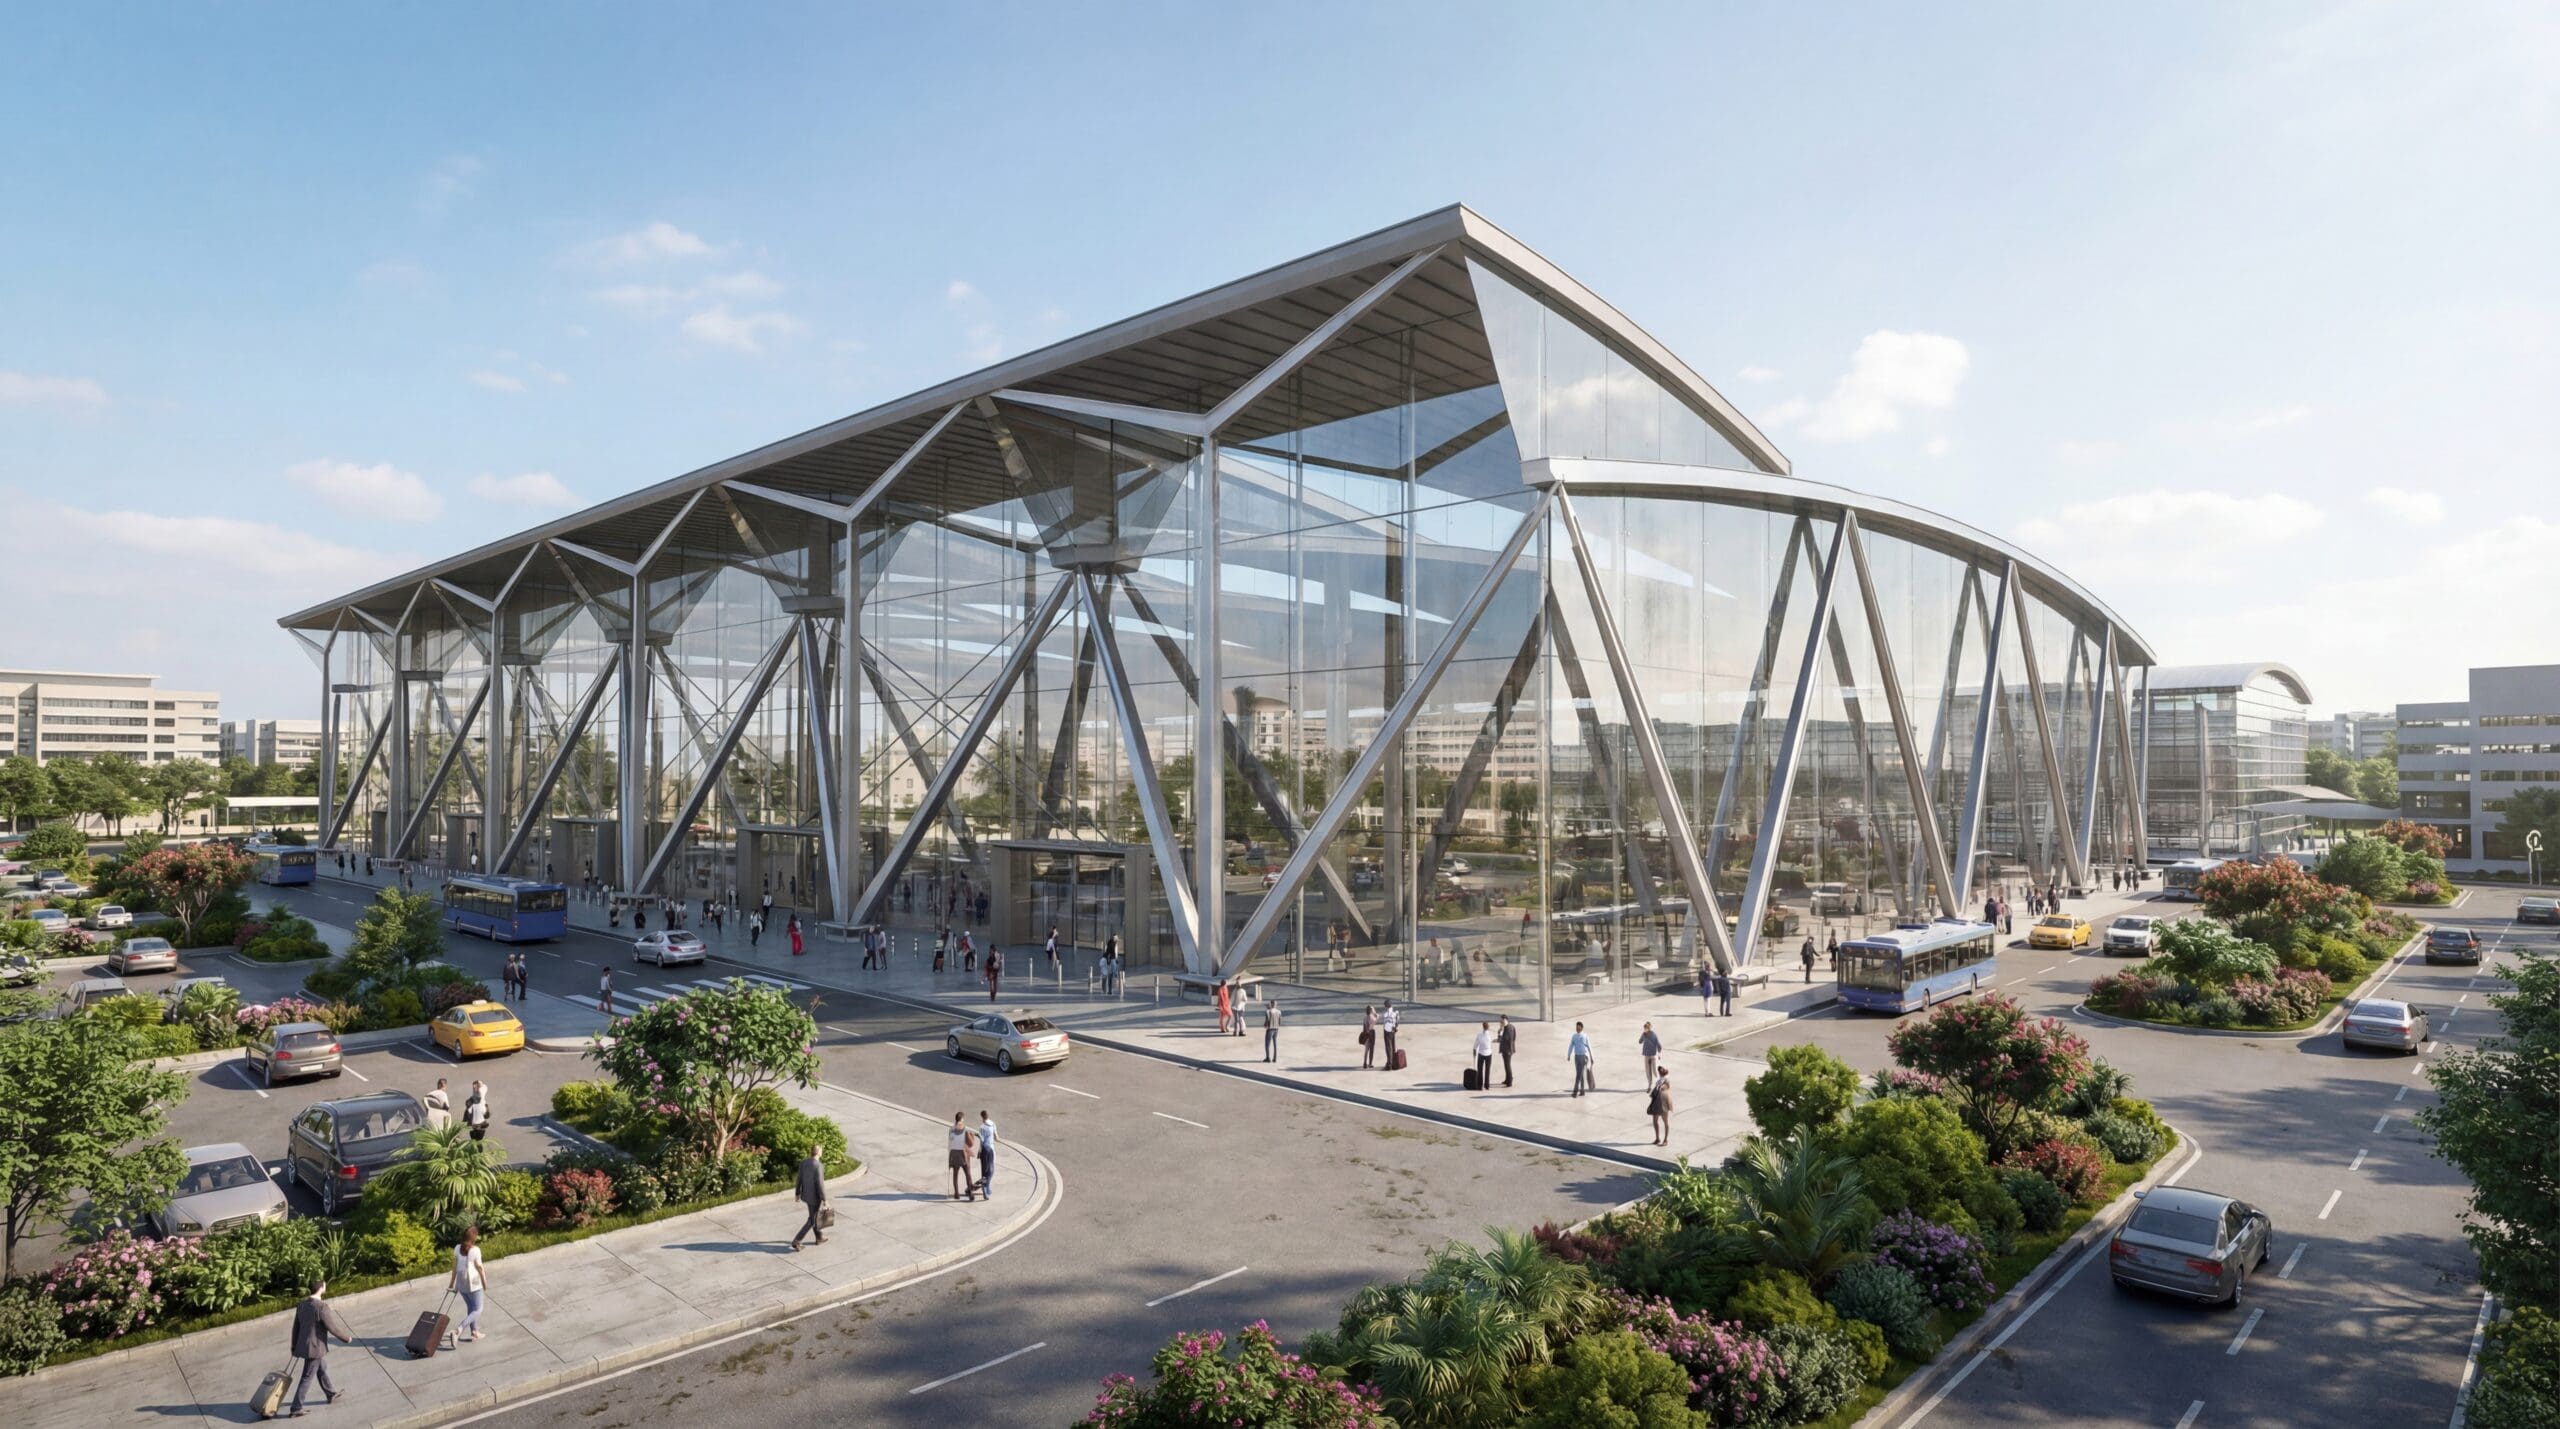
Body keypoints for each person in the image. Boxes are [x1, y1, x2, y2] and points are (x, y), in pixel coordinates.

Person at [286, 1278, 354, 1416]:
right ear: (321, 1288)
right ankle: (296, 1408)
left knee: (321, 1368)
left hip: (305, 1346)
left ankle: (330, 1393)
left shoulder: (302, 1305)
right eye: (324, 1285)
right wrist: (346, 1339)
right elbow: (332, 1328)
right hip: (315, 1348)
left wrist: (294, 1346)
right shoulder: (321, 1307)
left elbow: (296, 1328)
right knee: (307, 1377)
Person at [451, 1225, 488, 1342]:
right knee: (478, 1309)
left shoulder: (457, 1248)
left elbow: (455, 1267)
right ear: (474, 1237)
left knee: (471, 1307)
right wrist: (484, 1282)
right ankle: (459, 1329)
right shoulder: (475, 1250)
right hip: (474, 1284)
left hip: (461, 1284)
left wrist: (452, 1284)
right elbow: (480, 1267)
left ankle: (474, 1331)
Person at [789, 1146, 828, 1250]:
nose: (822, 1152)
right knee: (812, 1220)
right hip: (815, 1198)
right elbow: (820, 1185)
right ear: (818, 1153)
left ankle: (819, 1237)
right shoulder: (818, 1165)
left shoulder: (804, 1163)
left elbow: (799, 1179)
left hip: (806, 1195)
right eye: (821, 1151)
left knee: (813, 1216)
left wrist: (797, 1193)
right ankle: (796, 1241)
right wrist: (825, 1200)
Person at [947, 1113, 975, 1201]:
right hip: (963, 1154)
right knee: (968, 1174)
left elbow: (950, 1141)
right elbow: (971, 1143)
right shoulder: (965, 1129)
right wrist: (972, 1135)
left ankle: (956, 1193)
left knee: (955, 1174)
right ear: (962, 1119)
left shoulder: (951, 1129)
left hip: (954, 1153)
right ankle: (971, 1193)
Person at [1567, 1021, 1594, 1097]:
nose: (1577, 1029)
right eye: (1576, 1027)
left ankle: (1575, 1091)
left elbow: (1589, 1046)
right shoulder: (1574, 1036)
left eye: (1579, 1028)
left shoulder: (1585, 1036)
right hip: (1576, 1057)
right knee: (1580, 1074)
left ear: (1582, 1028)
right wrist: (1569, 1055)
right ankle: (1582, 1091)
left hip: (1583, 1057)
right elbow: (1571, 1045)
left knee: (1578, 1074)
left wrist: (1592, 1057)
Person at [1648, 1070, 1674, 1147]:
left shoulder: (1666, 1080)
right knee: (1655, 1121)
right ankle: (1657, 1138)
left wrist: (1662, 1087)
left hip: (1663, 1104)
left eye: (1661, 1070)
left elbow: (1666, 1087)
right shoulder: (1658, 1081)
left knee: (1665, 1122)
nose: (1659, 1071)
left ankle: (1665, 1140)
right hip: (1656, 1102)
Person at [976, 1110, 998, 1197]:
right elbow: (996, 1137)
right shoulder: (993, 1124)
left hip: (985, 1149)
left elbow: (981, 1141)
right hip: (992, 1149)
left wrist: (979, 1151)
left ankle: (985, 1189)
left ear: (982, 1117)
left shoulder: (982, 1127)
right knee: (991, 1169)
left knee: (984, 1170)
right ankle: (987, 1186)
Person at [1497, 1014, 1518, 1088]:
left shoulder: (1507, 1028)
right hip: (1508, 1049)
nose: (1501, 1022)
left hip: (1507, 1050)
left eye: (1502, 1020)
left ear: (1506, 1020)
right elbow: (1514, 1037)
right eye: (1500, 1021)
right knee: (1506, 1065)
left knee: (1507, 1065)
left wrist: (1500, 1033)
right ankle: (1507, 1079)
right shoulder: (1511, 1026)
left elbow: (1504, 1039)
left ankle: (1510, 1081)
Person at [1472, 1022, 1493, 1092]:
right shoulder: (1490, 1035)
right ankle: (1487, 1085)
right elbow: (1494, 1041)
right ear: (1488, 1027)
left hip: (1481, 1053)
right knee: (1487, 1070)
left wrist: (1474, 1051)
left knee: (1480, 1070)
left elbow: (1476, 1044)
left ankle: (1480, 1085)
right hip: (1489, 1054)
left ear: (1483, 1027)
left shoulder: (1479, 1035)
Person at [1261, 997, 1282, 1062]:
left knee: (1267, 1044)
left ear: (1271, 1004)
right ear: (1275, 1004)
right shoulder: (1279, 1011)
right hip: (1276, 1029)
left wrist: (1265, 1025)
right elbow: (1280, 1021)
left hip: (1270, 1029)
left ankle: (1268, 1057)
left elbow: (1267, 1020)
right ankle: (1275, 1058)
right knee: (1275, 1043)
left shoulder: (1268, 1011)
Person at [1380, 1000, 1400, 1066]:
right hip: (1392, 1030)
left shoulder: (1386, 1014)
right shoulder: (1395, 1013)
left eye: (1385, 1005)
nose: (1384, 1006)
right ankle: (1393, 1062)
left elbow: (1385, 1021)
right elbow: (1397, 1022)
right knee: (1393, 1045)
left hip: (1387, 1031)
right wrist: (1395, 1027)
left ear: (1387, 1005)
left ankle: (1389, 1063)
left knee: (1388, 1047)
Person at [1359, 1004, 1378, 1069]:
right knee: (1372, 1049)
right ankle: (1370, 1063)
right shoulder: (1372, 1018)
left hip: (1366, 1033)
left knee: (1366, 1049)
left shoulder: (1365, 1018)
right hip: (1371, 1032)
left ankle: (1364, 1063)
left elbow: (1364, 1027)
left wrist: (1364, 1033)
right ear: (1371, 1011)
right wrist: (1374, 1012)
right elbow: (1377, 1017)